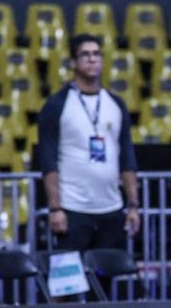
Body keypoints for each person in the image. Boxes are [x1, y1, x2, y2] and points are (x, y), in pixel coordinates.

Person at [37, 34, 140, 253]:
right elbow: (48, 159)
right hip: (72, 209)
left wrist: (132, 205)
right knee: (68, 283)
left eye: (96, 54)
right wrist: (55, 208)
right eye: (85, 54)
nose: (92, 59)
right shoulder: (57, 105)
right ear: (73, 63)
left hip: (111, 209)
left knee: (104, 284)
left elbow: (127, 157)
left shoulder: (115, 104)